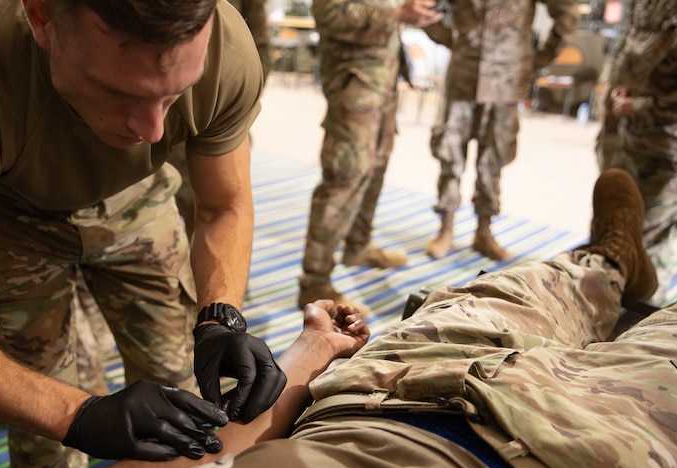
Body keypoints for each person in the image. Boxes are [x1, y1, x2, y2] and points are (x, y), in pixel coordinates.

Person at [0, 168, 677, 468]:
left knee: (483, 300)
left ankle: (608, 267)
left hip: (372, 409)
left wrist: (307, 355)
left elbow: (184, 463)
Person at [0, 0, 286, 468]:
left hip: (138, 202)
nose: (153, 131)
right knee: (47, 444)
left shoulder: (225, 50)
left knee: (183, 394)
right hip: (6, 216)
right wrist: (75, 413)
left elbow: (222, 207)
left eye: (174, 95)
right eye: (119, 92)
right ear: (42, 18)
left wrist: (221, 316)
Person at [296, 0, 444, 312]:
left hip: (382, 85)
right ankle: (314, 283)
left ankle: (358, 245)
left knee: (375, 168)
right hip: (354, 87)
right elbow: (329, 14)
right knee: (343, 177)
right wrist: (397, 14)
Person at [422, 0, 578, 261]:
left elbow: (567, 10)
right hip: (464, 74)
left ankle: (484, 230)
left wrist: (542, 55)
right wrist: (450, 39)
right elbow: (423, 5)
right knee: (450, 152)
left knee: (493, 157)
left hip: (507, 79)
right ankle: (445, 228)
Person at [594, 0, 677, 307]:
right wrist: (620, 91)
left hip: (666, 147)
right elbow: (629, 45)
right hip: (630, 136)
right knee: (623, 232)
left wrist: (641, 106)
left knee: (651, 244)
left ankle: (643, 322)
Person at [172, 0, 272, 241]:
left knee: (224, 205)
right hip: (159, 110)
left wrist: (236, 99)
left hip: (216, 105)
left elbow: (258, 42)